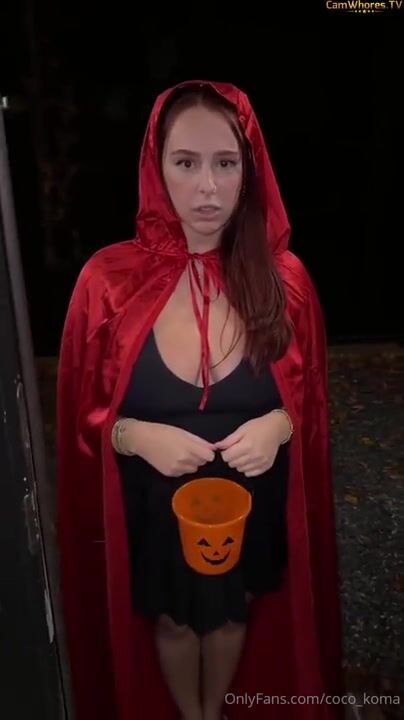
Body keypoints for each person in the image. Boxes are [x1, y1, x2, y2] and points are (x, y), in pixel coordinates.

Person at [56, 80, 343, 720]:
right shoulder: (107, 284)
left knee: (237, 611)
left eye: (226, 163)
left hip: (252, 503)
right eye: (186, 163)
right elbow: (79, 422)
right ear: (155, 168)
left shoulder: (286, 281)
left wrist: (278, 426)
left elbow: (310, 407)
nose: (207, 187)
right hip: (153, 506)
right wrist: (134, 435)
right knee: (173, 620)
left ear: (250, 170)